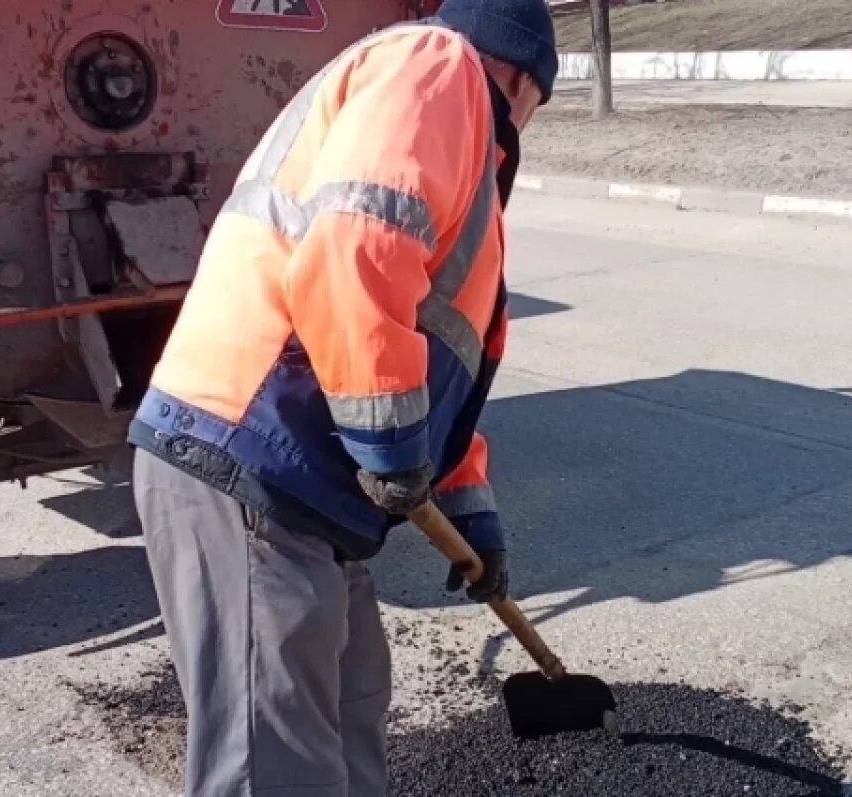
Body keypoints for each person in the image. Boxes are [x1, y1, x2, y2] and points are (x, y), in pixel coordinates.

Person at [126, 0, 557, 795]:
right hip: (248, 455)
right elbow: (356, 247)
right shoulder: (438, 66)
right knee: (274, 763)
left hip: (315, 493)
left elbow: (437, 368)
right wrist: (390, 448)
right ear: (525, 78)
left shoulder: (461, 158)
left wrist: (473, 518)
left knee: (354, 709)